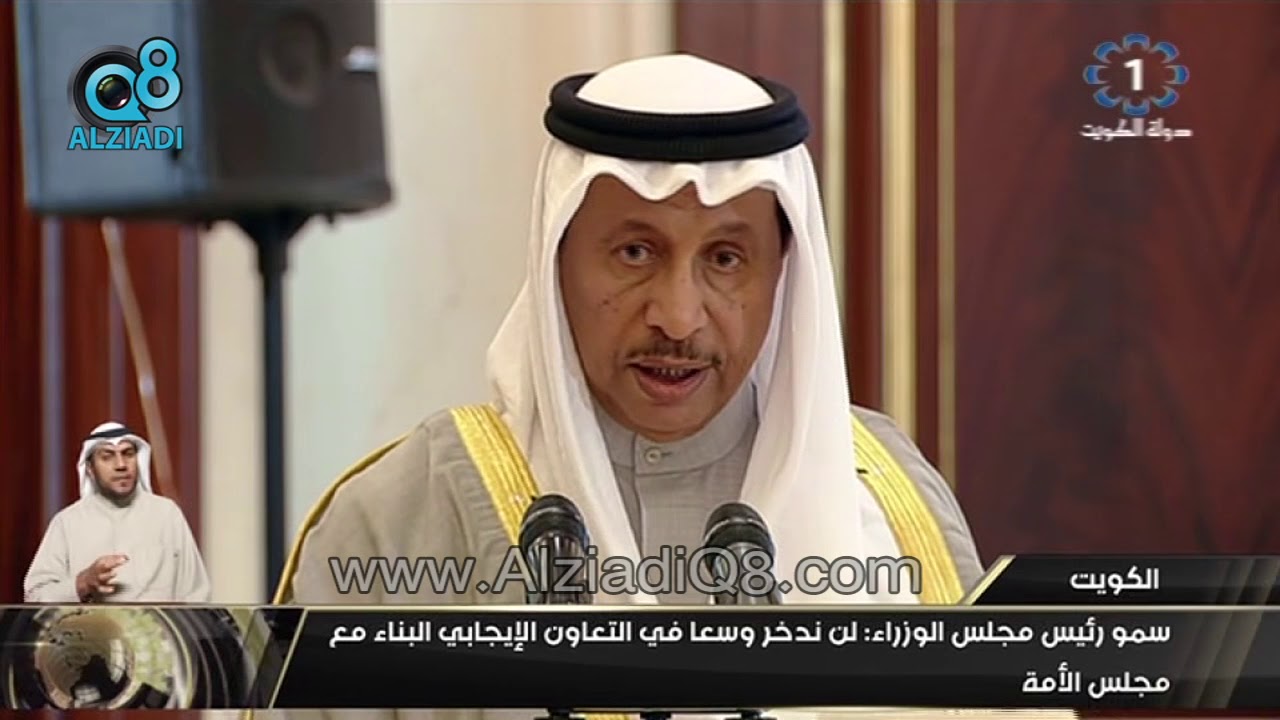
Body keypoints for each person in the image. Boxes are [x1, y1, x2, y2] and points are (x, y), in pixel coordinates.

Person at [278, 53, 983, 610]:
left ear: (783, 274)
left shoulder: (891, 505)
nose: (677, 317)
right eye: (635, 253)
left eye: (725, 259)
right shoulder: (401, 518)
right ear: (555, 260)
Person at [24, 422, 212, 603]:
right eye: (107, 456)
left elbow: (196, 594)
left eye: (128, 454)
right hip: (91, 626)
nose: (121, 464)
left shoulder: (166, 514)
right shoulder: (67, 522)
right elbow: (35, 595)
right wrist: (83, 582)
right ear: (90, 469)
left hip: (157, 626)